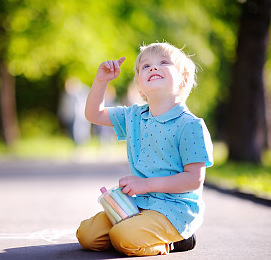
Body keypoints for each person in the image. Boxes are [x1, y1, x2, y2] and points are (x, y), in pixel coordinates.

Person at [76, 42, 214, 256]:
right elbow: (94, 114)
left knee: (122, 237)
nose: (153, 68)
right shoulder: (134, 116)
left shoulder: (190, 125)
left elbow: (193, 179)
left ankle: (177, 241)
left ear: (183, 79)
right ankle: (136, 234)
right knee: (86, 235)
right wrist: (101, 81)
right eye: (145, 66)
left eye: (164, 62)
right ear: (140, 86)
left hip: (174, 211)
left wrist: (146, 184)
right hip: (137, 203)